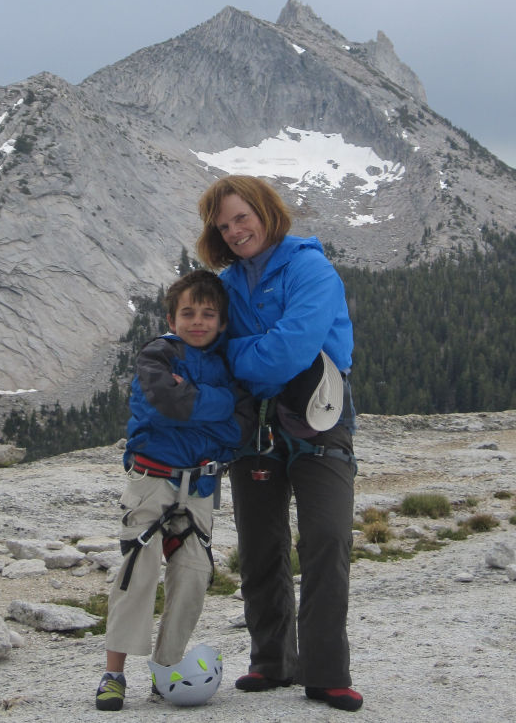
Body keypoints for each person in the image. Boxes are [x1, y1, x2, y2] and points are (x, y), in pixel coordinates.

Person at [196, 175, 363, 712]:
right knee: (260, 545)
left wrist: (239, 353)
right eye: (224, 225)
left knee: (326, 538)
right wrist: (251, 351)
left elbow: (288, 353)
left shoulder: (310, 268)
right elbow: (210, 348)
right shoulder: (227, 283)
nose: (234, 231)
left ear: (266, 212)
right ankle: (272, 661)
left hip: (320, 421)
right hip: (256, 428)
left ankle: (326, 673)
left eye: (241, 218)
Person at [95, 270, 254, 711]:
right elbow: (165, 405)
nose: (198, 321)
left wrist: (195, 401)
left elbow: (240, 428)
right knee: (138, 571)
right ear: (171, 319)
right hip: (152, 481)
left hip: (199, 486)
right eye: (188, 313)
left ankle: (164, 671)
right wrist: (218, 405)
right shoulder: (157, 354)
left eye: (208, 314)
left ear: (222, 322)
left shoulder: (229, 364)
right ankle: (114, 674)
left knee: (193, 577)